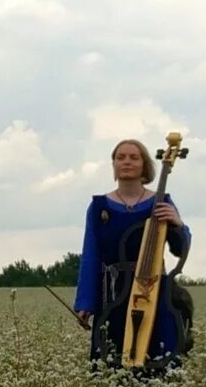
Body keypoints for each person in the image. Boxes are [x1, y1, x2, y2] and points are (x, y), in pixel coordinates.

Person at [73, 139, 192, 372]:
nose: (126, 162)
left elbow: (180, 249)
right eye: (121, 157)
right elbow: (91, 255)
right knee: (110, 363)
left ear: (145, 166)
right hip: (112, 294)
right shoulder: (99, 207)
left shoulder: (162, 202)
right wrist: (85, 302)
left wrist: (178, 225)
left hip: (154, 292)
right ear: (114, 165)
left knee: (160, 360)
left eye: (134, 157)